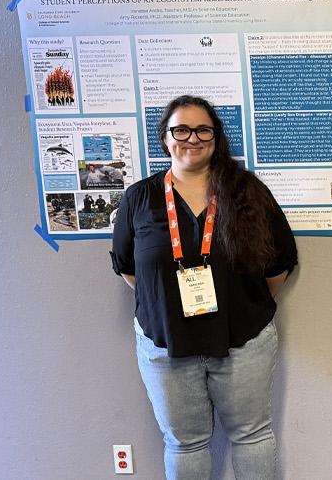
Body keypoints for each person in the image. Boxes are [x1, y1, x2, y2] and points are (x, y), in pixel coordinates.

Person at [111, 95, 297, 479]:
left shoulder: (247, 190)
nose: (192, 138)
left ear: (216, 137)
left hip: (242, 339)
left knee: (252, 435)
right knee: (185, 442)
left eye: (202, 130)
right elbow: (129, 269)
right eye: (181, 129)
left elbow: (279, 262)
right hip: (166, 345)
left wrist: (241, 303)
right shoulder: (139, 199)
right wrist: (166, 304)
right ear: (165, 137)